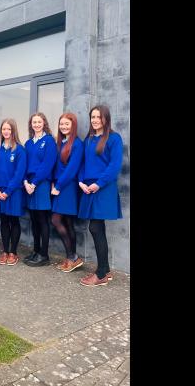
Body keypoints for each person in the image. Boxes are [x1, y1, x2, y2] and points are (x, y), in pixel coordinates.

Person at [77, 105, 123, 287]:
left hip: (103, 188)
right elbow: (83, 164)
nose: (95, 120)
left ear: (106, 119)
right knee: (97, 229)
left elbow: (114, 166)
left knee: (95, 228)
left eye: (99, 117)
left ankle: (101, 273)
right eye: (93, 117)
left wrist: (98, 184)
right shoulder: (88, 140)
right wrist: (81, 181)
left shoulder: (114, 138)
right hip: (88, 188)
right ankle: (106, 270)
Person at [51, 113, 85, 272]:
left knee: (56, 220)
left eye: (67, 124)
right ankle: (71, 257)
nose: (64, 127)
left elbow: (72, 169)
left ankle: (73, 257)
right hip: (59, 185)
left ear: (73, 125)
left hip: (67, 187)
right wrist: (54, 183)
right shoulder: (60, 142)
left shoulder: (77, 144)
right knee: (68, 222)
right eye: (61, 124)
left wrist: (58, 186)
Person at [0, 118, 27, 266]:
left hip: (14, 192)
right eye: (4, 129)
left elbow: (19, 174)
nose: (6, 132)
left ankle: (13, 252)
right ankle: (5, 251)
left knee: (14, 221)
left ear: (13, 131)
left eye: (9, 129)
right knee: (4, 221)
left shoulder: (20, 150)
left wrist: (8, 191)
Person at [23, 112, 58, 267]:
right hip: (28, 185)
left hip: (41, 184)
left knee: (43, 220)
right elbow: (23, 164)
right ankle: (36, 251)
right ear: (31, 124)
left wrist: (34, 183)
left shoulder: (49, 141)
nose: (36, 124)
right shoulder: (28, 143)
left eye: (39, 122)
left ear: (44, 123)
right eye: (34, 122)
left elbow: (47, 164)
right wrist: (25, 182)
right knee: (34, 220)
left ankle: (44, 255)